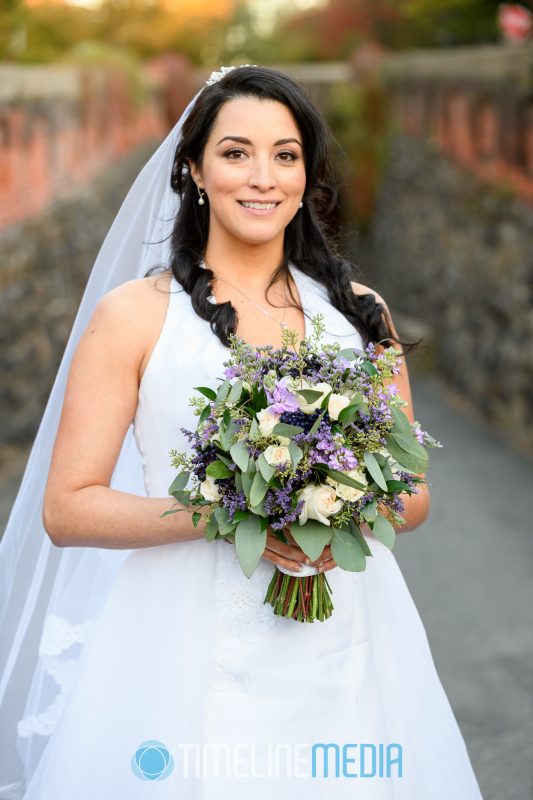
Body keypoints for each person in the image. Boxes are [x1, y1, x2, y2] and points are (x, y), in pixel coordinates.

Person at [0, 65, 484, 798]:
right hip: (179, 635)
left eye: (285, 155)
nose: (263, 178)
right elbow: (67, 508)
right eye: (235, 153)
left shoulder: (359, 312)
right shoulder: (134, 315)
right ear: (193, 168)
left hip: (346, 629)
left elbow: (411, 499)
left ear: (306, 173)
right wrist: (235, 512)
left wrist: (334, 503)